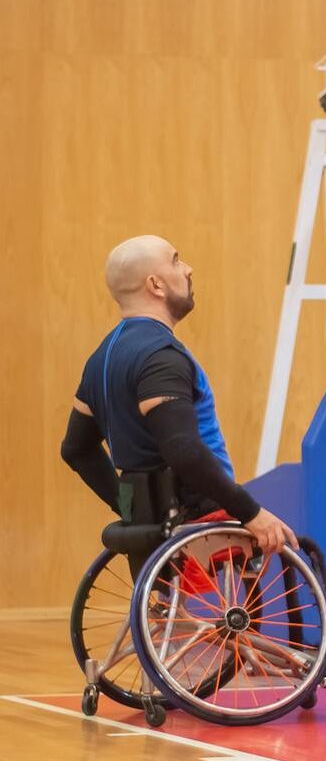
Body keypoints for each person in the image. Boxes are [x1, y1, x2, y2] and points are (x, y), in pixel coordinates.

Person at [61, 235, 297, 553]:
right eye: (176, 260)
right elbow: (183, 451)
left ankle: (161, 603)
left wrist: (129, 508)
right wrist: (251, 513)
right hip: (200, 516)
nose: (188, 269)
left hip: (150, 520)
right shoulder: (161, 357)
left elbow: (76, 449)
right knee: (296, 545)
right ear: (155, 285)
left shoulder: (101, 359)